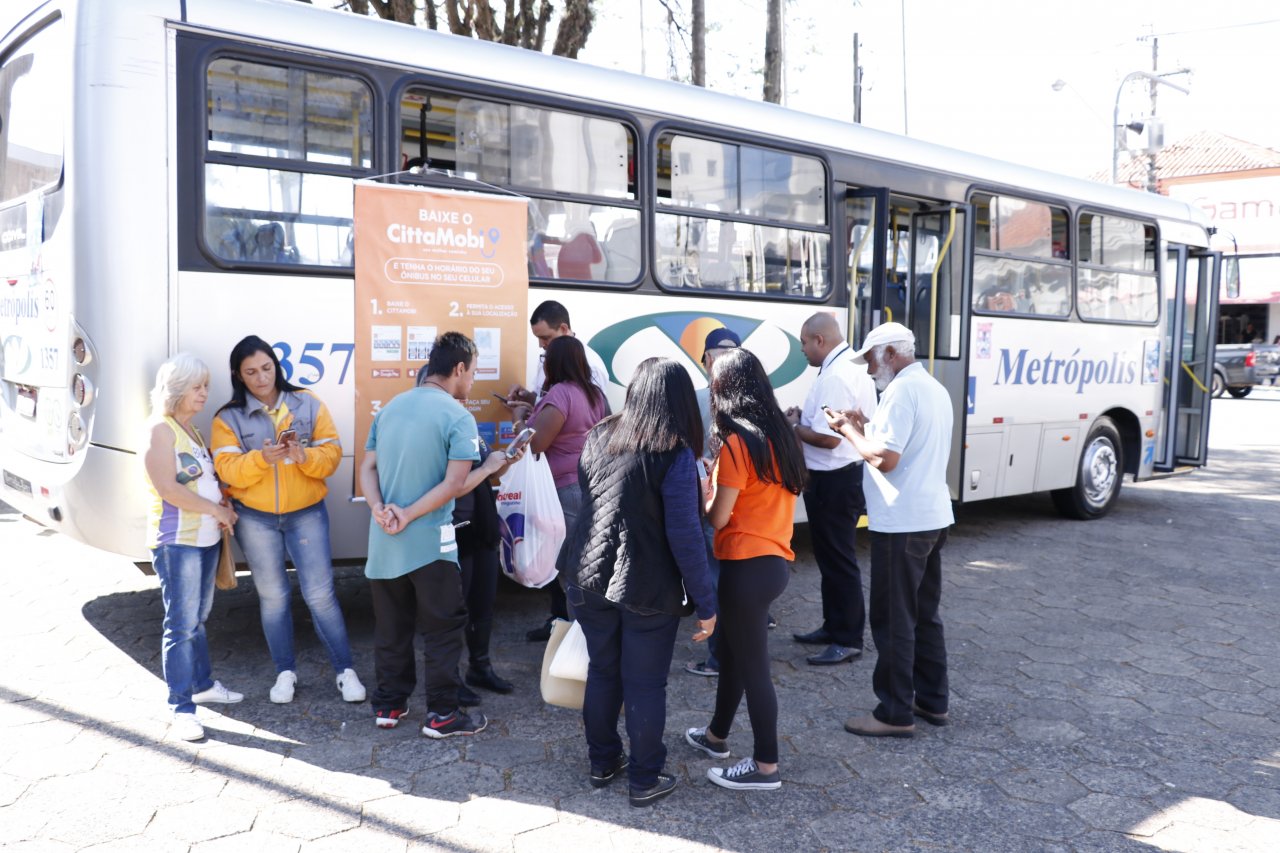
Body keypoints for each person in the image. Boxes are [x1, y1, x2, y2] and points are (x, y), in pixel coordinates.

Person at [559, 357, 717, 807]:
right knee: (644, 683)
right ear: (681, 400)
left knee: (603, 671)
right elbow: (685, 536)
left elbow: (595, 500)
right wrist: (706, 603)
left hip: (586, 575)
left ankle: (602, 762)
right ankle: (645, 779)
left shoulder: (599, 435)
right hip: (646, 585)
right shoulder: (674, 452)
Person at [359, 332, 513, 737]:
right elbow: (456, 485)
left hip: (384, 539)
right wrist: (490, 467)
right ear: (459, 368)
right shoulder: (457, 416)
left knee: (391, 627)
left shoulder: (390, 408)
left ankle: (389, 705)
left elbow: (367, 469)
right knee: (443, 628)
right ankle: (442, 715)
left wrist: (379, 509)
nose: (472, 382)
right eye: (473, 373)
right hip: (431, 543)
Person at [211, 336, 365, 705]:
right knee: (273, 597)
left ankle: (345, 671)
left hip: (307, 512)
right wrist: (261, 459)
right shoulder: (226, 417)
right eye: (251, 372)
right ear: (238, 376)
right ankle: (285, 672)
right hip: (255, 519)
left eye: (266, 368)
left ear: (276, 366)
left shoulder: (307, 402)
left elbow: (332, 455)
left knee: (320, 595)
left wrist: (304, 457)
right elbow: (227, 470)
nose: (261, 377)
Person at [823, 322, 954, 738]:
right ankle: (932, 700)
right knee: (924, 615)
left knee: (894, 618)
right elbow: (900, 445)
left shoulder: (901, 391)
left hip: (903, 523)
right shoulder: (932, 387)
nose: (867, 370)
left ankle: (895, 712)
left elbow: (885, 459)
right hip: (930, 517)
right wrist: (863, 425)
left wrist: (847, 430)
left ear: (892, 354)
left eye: (871, 360)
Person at [686, 347, 806, 792]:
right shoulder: (782, 437)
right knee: (735, 655)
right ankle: (716, 736)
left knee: (753, 667)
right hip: (773, 561)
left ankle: (765, 765)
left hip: (744, 565)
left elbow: (718, 517)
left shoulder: (737, 443)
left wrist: (706, 485)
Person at [142, 353, 243, 742]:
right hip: (178, 543)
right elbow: (168, 489)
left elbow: (204, 482)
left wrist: (223, 506)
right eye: (197, 387)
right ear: (178, 388)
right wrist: (215, 509)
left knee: (197, 619)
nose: (204, 393)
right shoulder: (160, 430)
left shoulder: (192, 431)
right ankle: (181, 707)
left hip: (205, 540)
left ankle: (201, 685)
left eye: (205, 386)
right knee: (181, 626)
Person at [785, 313, 878, 666]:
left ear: (819, 340)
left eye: (804, 343)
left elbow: (828, 438)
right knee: (830, 558)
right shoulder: (842, 367)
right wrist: (804, 419)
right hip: (835, 477)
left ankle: (847, 638)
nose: (802, 350)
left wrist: (794, 427)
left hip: (834, 479)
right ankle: (833, 626)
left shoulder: (838, 375)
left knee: (838, 560)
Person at [430, 366, 517, 705]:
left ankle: (480, 667)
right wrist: (489, 467)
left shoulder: (467, 425)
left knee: (483, 603)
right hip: (456, 530)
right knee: (456, 610)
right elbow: (453, 484)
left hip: (483, 527)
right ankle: (450, 680)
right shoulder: (436, 430)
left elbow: (487, 472)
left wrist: (507, 460)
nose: (464, 397)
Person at [513, 335, 609, 642]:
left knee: (570, 573)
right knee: (588, 566)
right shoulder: (595, 394)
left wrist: (518, 421)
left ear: (555, 363)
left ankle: (580, 642)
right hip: (592, 485)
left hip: (565, 491)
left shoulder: (561, 394)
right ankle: (594, 636)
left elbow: (536, 443)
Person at [506, 299, 610, 412]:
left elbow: (588, 413)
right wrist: (524, 396)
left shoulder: (591, 364)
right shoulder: (546, 356)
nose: (540, 345)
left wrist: (521, 419)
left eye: (545, 338)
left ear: (563, 329)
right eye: (538, 338)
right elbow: (541, 396)